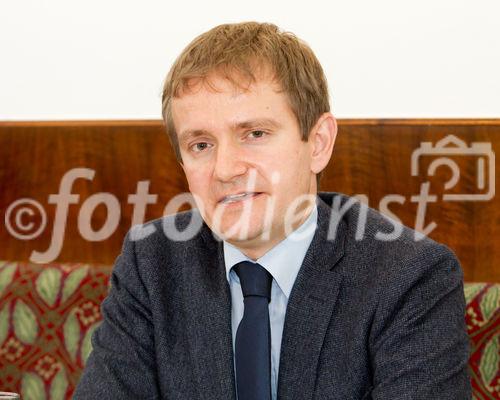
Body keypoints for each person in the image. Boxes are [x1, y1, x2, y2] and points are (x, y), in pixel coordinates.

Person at [74, 22, 471, 399]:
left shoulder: (409, 278)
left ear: (317, 143)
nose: (226, 169)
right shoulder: (151, 264)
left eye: (255, 134)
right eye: (200, 145)